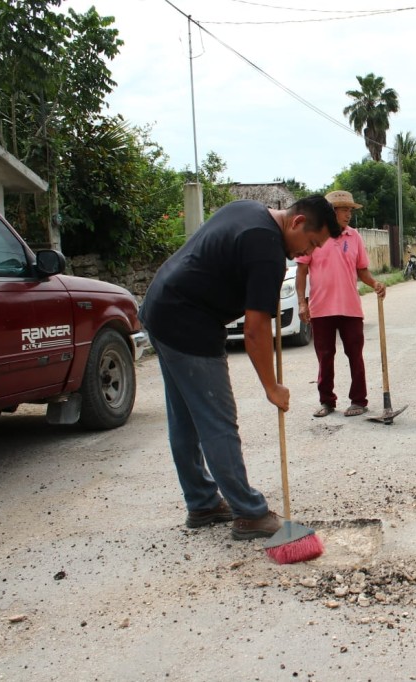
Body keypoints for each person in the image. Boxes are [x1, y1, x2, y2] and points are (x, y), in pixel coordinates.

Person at [140, 195, 340, 540]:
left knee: (186, 418)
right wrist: (271, 386)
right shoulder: (267, 251)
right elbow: (255, 329)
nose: (305, 254)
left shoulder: (249, 210)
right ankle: (249, 514)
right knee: (218, 421)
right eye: (310, 242)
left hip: (160, 308)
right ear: (297, 222)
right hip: (188, 324)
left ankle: (202, 502)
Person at [296, 190, 386, 418]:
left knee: (355, 354)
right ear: (331, 212)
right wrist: (302, 303)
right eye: (344, 210)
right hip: (321, 309)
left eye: (350, 210)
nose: (349, 214)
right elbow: (302, 270)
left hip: (350, 308)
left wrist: (375, 283)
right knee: (324, 356)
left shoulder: (354, 236)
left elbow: (362, 271)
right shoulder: (315, 236)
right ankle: (327, 401)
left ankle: (359, 400)